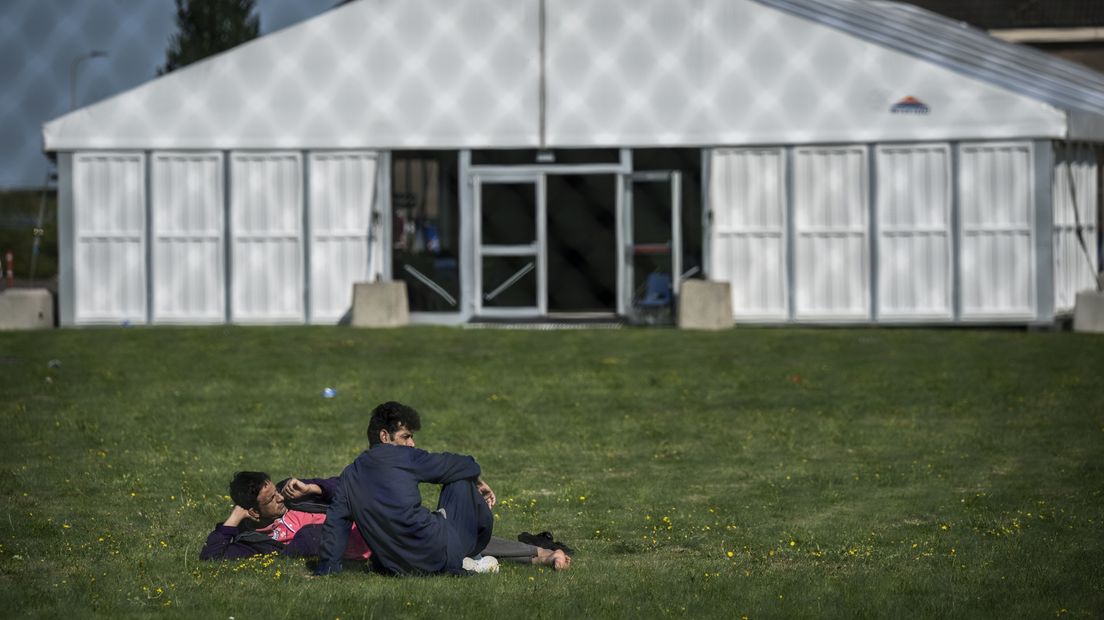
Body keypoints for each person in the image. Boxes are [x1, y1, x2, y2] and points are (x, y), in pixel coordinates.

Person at [315, 401, 504, 575]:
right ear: (384, 436)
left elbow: (336, 525)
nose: (412, 443)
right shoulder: (405, 457)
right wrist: (476, 479)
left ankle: (462, 555)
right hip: (437, 552)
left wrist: (327, 567)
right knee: (462, 481)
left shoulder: (349, 475)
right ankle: (471, 556)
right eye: (405, 436)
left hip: (398, 567)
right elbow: (461, 464)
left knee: (456, 482)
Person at [199, 472, 372, 561]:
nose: (280, 498)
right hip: (365, 544)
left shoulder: (290, 492)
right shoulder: (254, 541)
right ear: (254, 512)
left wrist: (313, 488)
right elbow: (211, 556)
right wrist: (234, 518)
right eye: (271, 499)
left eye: (276, 492)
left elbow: (346, 484)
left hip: (370, 519)